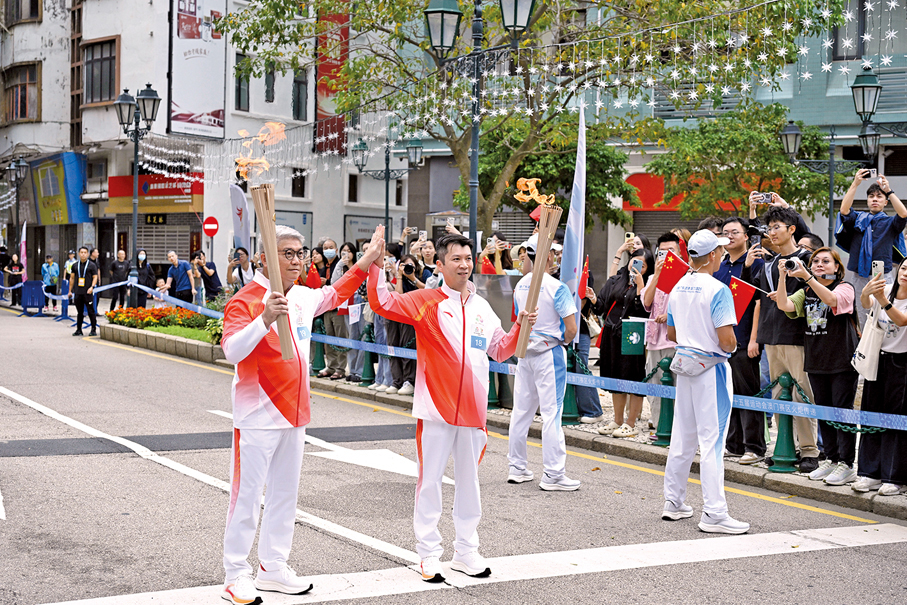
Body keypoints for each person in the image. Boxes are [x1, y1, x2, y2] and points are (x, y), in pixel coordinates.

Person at [220, 225, 382, 604]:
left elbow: (337, 291)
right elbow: (231, 351)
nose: (296, 260)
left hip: (295, 414)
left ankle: (273, 568)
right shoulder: (246, 300)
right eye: (287, 253)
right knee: (246, 495)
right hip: (257, 414)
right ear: (265, 259)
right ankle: (235, 573)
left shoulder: (303, 298)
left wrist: (369, 258)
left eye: (300, 253)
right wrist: (262, 320)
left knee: (284, 497)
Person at [367, 230, 536, 583]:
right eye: (455, 259)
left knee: (469, 482)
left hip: (473, 411)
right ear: (440, 264)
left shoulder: (482, 308)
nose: (463, 264)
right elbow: (381, 303)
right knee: (430, 481)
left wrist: (521, 325)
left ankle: (466, 550)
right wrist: (375, 262)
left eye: (467, 258)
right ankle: (428, 553)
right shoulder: (425, 300)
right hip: (435, 409)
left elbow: (501, 350)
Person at [662, 229, 749, 534]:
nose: (723, 256)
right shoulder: (718, 290)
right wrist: (732, 345)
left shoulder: (677, 288)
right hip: (710, 369)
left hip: (684, 366)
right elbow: (727, 341)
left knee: (682, 438)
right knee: (712, 443)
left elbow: (671, 335)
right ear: (712, 255)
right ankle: (714, 512)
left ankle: (673, 502)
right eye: (720, 252)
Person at [775, 247, 859, 486]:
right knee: (824, 412)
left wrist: (807, 277)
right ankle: (831, 460)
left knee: (842, 412)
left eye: (825, 261)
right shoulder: (806, 290)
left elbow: (832, 301)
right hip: (816, 360)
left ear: (836, 267)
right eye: (815, 261)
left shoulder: (844, 288)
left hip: (842, 361)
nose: (820, 264)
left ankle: (847, 464)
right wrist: (783, 277)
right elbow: (785, 305)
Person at [508, 239, 581, 490]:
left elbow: (517, 320)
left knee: (521, 411)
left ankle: (516, 467)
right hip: (550, 354)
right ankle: (553, 474)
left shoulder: (519, 285)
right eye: (554, 252)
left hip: (525, 354)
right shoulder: (556, 287)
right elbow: (571, 328)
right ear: (548, 256)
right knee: (552, 414)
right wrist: (562, 340)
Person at [753, 205, 820, 474]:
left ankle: (809, 451)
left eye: (777, 227)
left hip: (798, 336)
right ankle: (784, 446)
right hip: (772, 334)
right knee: (778, 393)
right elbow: (759, 301)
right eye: (769, 228)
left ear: (792, 229)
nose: (771, 232)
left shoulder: (807, 258)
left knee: (802, 393)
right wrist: (757, 337)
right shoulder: (768, 263)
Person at [714, 215, 766, 465]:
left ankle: (754, 447)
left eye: (735, 232)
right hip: (723, 341)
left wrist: (755, 338)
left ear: (747, 236)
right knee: (728, 393)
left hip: (746, 338)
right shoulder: (719, 266)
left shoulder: (756, 262)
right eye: (725, 232)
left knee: (748, 394)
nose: (730, 236)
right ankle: (733, 444)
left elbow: (758, 302)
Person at [852, 259, 907, 496]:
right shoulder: (886, 288)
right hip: (878, 357)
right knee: (871, 415)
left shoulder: (888, 296)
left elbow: (902, 320)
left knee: (895, 420)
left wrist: (883, 300)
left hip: (902, 362)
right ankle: (869, 473)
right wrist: (866, 292)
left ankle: (893, 477)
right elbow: (866, 304)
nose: (906, 273)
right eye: (904, 268)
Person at [594, 248, 653, 438]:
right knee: (615, 377)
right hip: (612, 333)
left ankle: (631, 422)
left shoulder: (646, 284)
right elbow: (601, 305)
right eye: (634, 261)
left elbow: (644, 308)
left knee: (633, 377)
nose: (636, 267)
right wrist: (593, 298)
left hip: (633, 333)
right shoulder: (616, 280)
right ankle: (617, 420)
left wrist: (640, 285)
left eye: (642, 265)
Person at [837, 170, 907, 326]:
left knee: (885, 312)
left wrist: (889, 190)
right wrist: (855, 183)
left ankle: (884, 347)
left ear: (885, 202)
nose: (875, 199)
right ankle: (865, 346)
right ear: (867, 200)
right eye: (871, 196)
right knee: (862, 313)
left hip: (884, 274)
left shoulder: (890, 223)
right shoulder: (858, 219)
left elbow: (903, 214)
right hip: (860, 274)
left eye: (879, 196)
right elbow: (844, 210)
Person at [641, 233, 682, 431]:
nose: (666, 256)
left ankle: (676, 430)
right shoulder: (651, 277)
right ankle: (659, 427)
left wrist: (671, 315)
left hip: (675, 341)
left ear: (680, 252)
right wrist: (657, 275)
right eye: (662, 252)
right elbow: (646, 302)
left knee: (676, 389)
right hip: (654, 340)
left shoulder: (686, 276)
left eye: (671, 252)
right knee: (654, 388)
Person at [385, 254, 423, 395]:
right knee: (394, 347)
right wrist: (400, 275)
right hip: (397, 315)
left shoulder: (420, 275)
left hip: (411, 316)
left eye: (411, 265)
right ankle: (397, 381)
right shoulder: (398, 277)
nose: (408, 267)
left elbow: (427, 289)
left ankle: (409, 380)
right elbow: (398, 295)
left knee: (407, 347)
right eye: (405, 265)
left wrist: (413, 277)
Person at [331, 242, 360, 382]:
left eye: (349, 251)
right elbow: (334, 283)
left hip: (358, 305)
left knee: (359, 337)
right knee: (349, 338)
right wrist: (339, 264)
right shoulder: (340, 268)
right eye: (343, 251)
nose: (346, 254)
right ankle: (352, 369)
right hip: (345, 306)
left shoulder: (358, 266)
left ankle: (359, 371)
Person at [68, 247, 98, 336]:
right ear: (78, 254)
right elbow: (72, 278)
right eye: (81, 252)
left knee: (90, 311)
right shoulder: (75, 265)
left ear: (88, 254)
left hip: (88, 292)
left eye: (85, 252)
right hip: (78, 292)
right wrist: (70, 291)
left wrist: (92, 287)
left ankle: (93, 329)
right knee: (79, 312)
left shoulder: (92, 265)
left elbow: (95, 277)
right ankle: (79, 329)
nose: (83, 254)